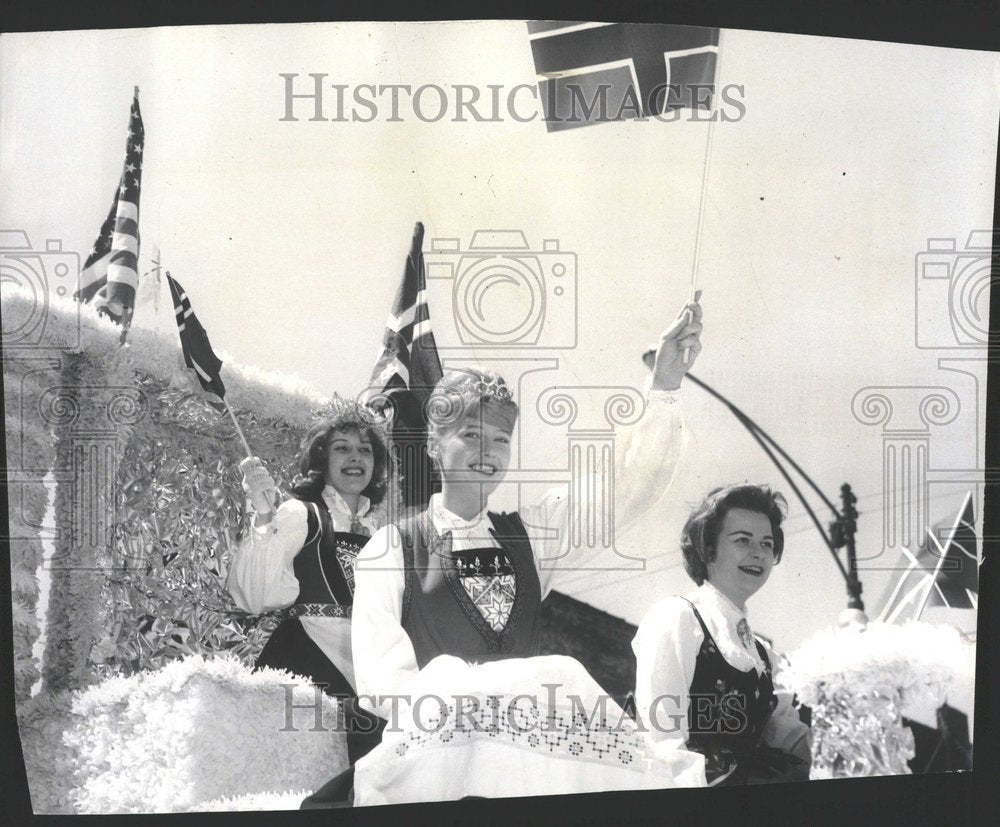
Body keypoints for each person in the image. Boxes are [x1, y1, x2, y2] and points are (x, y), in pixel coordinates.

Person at [328, 296, 707, 804]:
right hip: (435, 767)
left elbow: (621, 489)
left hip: (530, 768)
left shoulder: (531, 535)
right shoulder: (390, 548)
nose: (489, 452)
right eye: (471, 434)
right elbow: (383, 682)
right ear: (435, 446)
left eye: (502, 440)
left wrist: (662, 386)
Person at [227, 397, 398, 763]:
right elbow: (255, 596)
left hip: (370, 670)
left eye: (364, 450)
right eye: (342, 449)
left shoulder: (382, 534)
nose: (355, 458)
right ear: (323, 460)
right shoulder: (301, 514)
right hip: (309, 662)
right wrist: (262, 515)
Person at [631, 484, 812, 786]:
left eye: (767, 544)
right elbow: (661, 744)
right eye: (743, 540)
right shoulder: (678, 618)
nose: (758, 553)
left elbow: (791, 743)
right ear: (709, 548)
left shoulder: (767, 657)